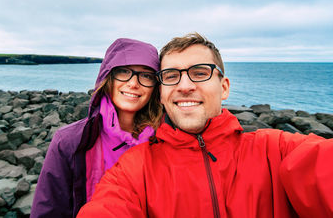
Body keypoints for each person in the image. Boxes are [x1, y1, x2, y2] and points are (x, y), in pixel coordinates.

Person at [77, 32, 333, 217]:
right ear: (162, 94)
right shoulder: (134, 169)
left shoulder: (275, 150)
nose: (185, 86)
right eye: (171, 76)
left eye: (200, 73)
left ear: (224, 88)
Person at [30, 38, 163, 217]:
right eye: (124, 71)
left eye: (146, 75)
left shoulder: (166, 139)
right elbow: (49, 210)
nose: (133, 83)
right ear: (108, 76)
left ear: (156, 86)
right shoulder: (70, 141)